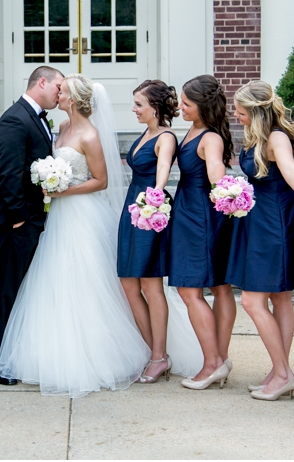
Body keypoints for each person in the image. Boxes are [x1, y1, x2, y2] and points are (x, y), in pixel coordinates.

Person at [0, 74, 150, 396]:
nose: (57, 93)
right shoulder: (62, 128)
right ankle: (51, 352)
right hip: (59, 218)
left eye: (62, 91)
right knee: (54, 280)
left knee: (84, 280)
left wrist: (61, 191)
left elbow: (101, 180)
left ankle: (96, 354)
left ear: (74, 99)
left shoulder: (90, 135)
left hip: (81, 214)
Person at [227, 81, 294, 401]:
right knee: (279, 299)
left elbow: (291, 169)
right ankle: (279, 370)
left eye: (239, 110)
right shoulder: (257, 135)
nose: (236, 115)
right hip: (260, 219)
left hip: (274, 224)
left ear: (255, 110)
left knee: (252, 300)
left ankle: (283, 373)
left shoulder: (276, 137)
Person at [0, 65, 64, 385]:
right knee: (7, 290)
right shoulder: (15, 119)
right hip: (18, 222)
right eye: (57, 87)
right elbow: (7, 173)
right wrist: (18, 217)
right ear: (41, 82)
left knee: (22, 291)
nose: (60, 94)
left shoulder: (37, 118)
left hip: (33, 217)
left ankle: (14, 352)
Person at [169, 75, 237, 390]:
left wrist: (224, 188)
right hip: (189, 212)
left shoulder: (210, 138)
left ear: (203, 106)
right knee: (218, 288)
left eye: (186, 103)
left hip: (200, 218)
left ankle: (211, 363)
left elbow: (216, 175)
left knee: (191, 290)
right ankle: (219, 359)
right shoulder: (194, 129)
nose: (180, 107)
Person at [117, 80, 179, 384]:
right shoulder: (146, 133)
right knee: (128, 283)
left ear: (155, 107)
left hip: (149, 210)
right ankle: (152, 351)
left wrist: (154, 196)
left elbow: (164, 167)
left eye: (139, 104)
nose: (134, 109)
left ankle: (159, 356)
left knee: (151, 285)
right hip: (132, 206)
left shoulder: (165, 137)